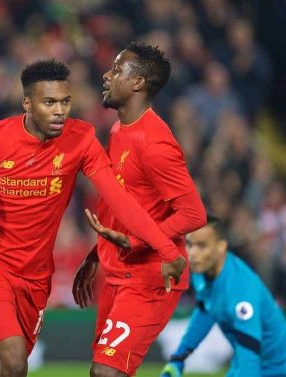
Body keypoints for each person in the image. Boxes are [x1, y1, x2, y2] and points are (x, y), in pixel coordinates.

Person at [0, 60, 186, 377]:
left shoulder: (80, 139)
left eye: (65, 101)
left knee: (3, 357)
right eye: (49, 102)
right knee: (15, 358)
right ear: (27, 103)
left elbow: (121, 201)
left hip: (35, 276)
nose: (60, 110)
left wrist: (167, 249)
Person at [73, 42, 206, 377]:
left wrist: (136, 243)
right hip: (118, 271)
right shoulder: (119, 131)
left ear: (138, 83)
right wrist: (96, 253)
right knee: (102, 372)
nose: (106, 74)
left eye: (117, 69)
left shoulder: (155, 143)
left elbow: (193, 214)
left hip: (152, 275)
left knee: (106, 373)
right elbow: (127, 205)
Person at [160, 216, 286, 377]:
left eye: (201, 246)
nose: (192, 254)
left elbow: (249, 359)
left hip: (280, 366)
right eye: (189, 244)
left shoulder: (240, 292)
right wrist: (178, 358)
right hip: (244, 358)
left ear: (221, 247)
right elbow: (205, 312)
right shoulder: (202, 272)